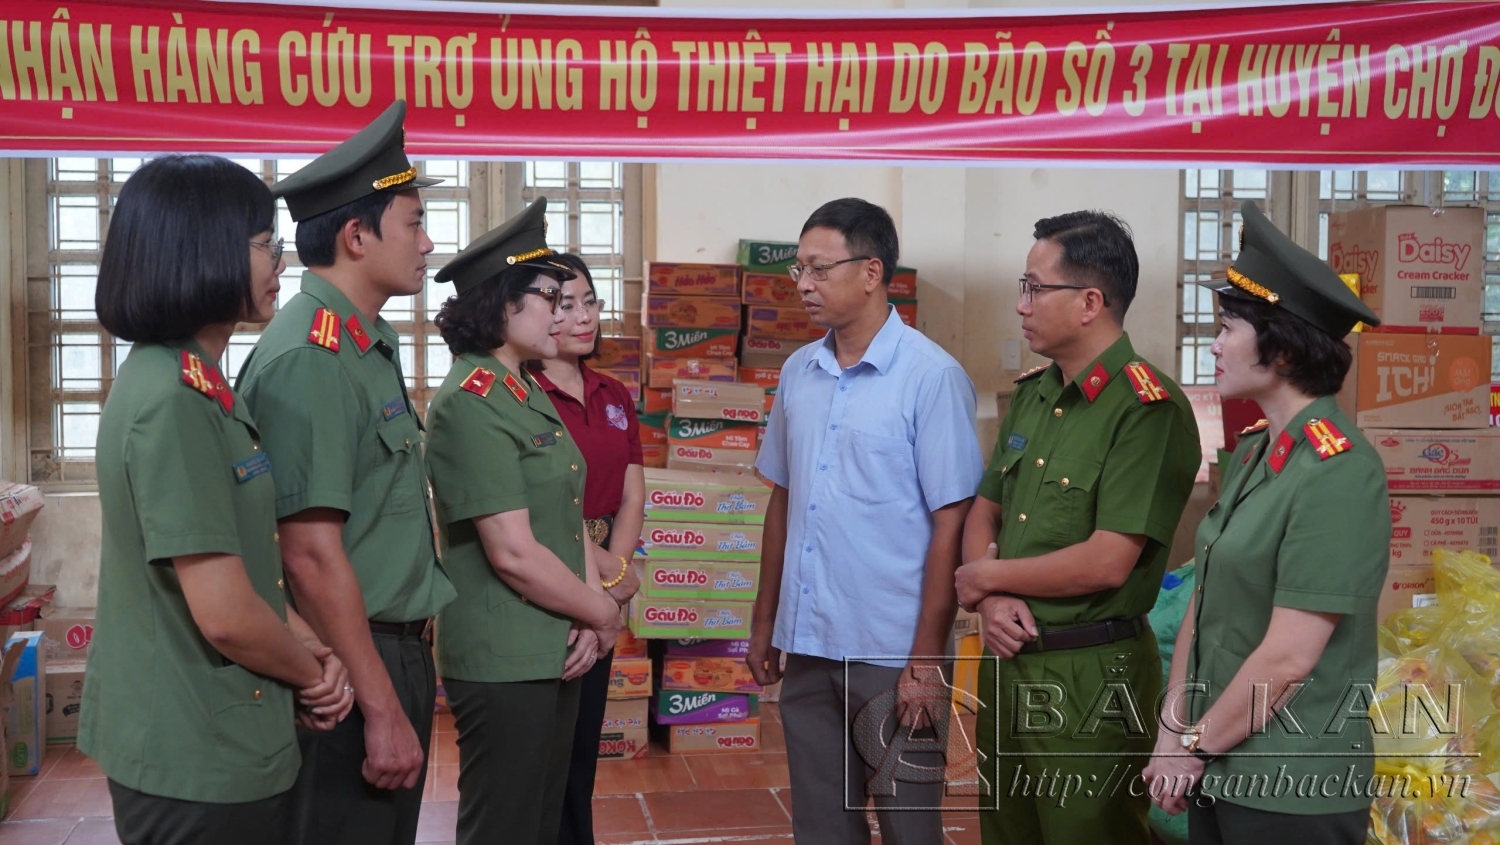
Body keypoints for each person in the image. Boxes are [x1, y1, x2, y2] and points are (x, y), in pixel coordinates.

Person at [82, 154, 354, 845]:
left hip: (221, 725)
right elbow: (226, 613)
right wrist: (315, 675)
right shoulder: (171, 400)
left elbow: (246, 567)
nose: (280, 264)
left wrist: (308, 642)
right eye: (266, 245)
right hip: (192, 748)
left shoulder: (196, 384)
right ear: (202, 249)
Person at [235, 100, 456, 845]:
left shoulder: (361, 343)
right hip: (352, 659)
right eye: (414, 223)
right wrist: (382, 706)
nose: (429, 243)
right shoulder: (312, 359)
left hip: (389, 646)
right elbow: (307, 553)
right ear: (356, 236)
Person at [1141, 201, 1389, 845]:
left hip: (1291, 783)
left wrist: (1189, 747)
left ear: (1280, 345)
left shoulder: (1340, 471)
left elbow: (1288, 657)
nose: (1216, 344)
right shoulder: (1255, 452)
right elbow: (1203, 598)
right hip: (1220, 761)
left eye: (1228, 328)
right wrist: (1174, 729)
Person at [954, 211, 1201, 845]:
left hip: (1091, 676)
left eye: (1036, 288)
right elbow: (988, 508)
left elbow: (1107, 561)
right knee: (1006, 831)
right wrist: (996, 596)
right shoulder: (1036, 395)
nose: (1020, 305)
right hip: (1010, 665)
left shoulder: (1148, 409)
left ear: (1090, 302)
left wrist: (984, 575)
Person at [746, 197, 984, 845]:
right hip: (811, 644)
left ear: (872, 271)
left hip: (892, 651)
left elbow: (951, 521)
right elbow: (783, 500)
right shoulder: (800, 373)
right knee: (823, 827)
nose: (803, 284)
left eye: (819, 269)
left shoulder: (930, 377)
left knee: (909, 826)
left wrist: (926, 661)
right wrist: (765, 621)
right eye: (799, 269)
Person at [424, 200, 623, 845]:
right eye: (547, 297)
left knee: (542, 819)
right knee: (504, 824)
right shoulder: (472, 401)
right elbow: (511, 551)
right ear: (502, 305)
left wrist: (593, 605)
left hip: (552, 643)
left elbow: (559, 522)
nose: (562, 312)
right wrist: (599, 613)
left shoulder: (523, 387)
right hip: (505, 654)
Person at [527, 252, 645, 845]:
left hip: (604, 581)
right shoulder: (522, 391)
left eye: (589, 301)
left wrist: (616, 583)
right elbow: (542, 505)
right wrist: (607, 579)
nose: (582, 316)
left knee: (579, 760)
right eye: (564, 303)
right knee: (536, 764)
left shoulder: (613, 391)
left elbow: (631, 489)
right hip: (549, 573)